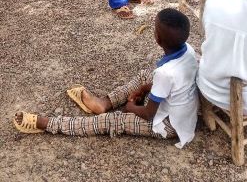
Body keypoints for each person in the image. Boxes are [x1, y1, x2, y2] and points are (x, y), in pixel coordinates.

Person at [13, 8, 199, 149]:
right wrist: (145, 88)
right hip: (179, 109)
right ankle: (103, 103)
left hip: (168, 125)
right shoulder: (188, 51)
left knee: (113, 121)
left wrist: (131, 108)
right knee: (144, 76)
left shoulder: (165, 73)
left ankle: (49, 124)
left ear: (157, 38)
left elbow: (149, 114)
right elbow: (173, 83)